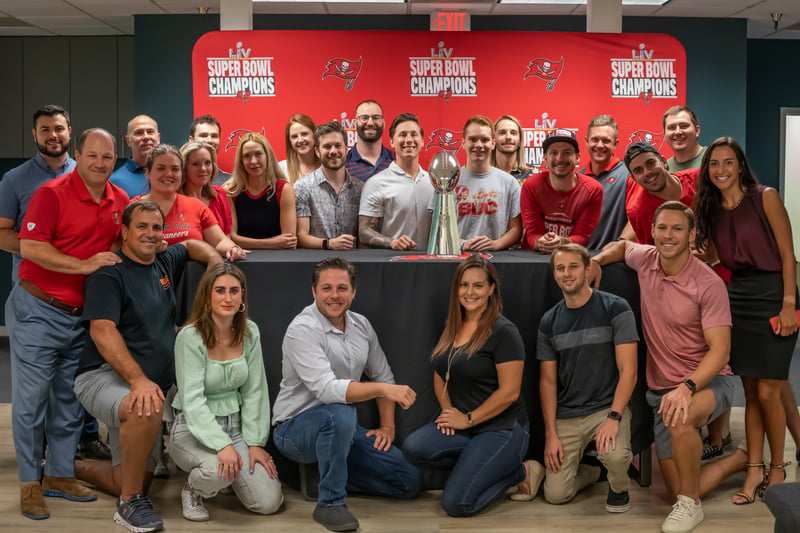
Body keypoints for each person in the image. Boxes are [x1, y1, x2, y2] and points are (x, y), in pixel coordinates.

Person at [589, 202, 748, 533]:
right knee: (673, 488)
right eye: (662, 228)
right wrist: (596, 260)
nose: (668, 235)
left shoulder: (708, 283)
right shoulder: (646, 259)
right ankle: (738, 460)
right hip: (661, 391)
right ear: (654, 231)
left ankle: (691, 507)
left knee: (682, 417)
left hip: (709, 382)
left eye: (678, 229)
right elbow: (622, 246)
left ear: (691, 235)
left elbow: (721, 352)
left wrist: (686, 388)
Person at [73, 200, 222, 533]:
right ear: (124, 232)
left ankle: (70, 466)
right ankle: (128, 506)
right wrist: (138, 380)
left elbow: (191, 245)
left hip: (145, 384)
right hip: (101, 376)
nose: (150, 234)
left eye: (157, 227)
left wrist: (214, 261)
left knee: (137, 478)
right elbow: (102, 330)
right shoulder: (109, 273)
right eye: (141, 226)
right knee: (147, 406)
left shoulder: (163, 262)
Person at [8, 128, 128, 520]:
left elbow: (113, 243)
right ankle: (30, 482)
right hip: (38, 309)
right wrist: (83, 265)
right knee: (32, 403)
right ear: (79, 155)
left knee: (68, 402)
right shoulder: (51, 194)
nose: (99, 163)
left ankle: (58, 475)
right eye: (91, 156)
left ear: (115, 160)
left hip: (81, 318)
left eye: (107, 157)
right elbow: (31, 247)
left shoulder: (120, 199)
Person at [272, 257, 421, 532]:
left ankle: (326, 474)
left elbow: (383, 375)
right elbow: (329, 390)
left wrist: (387, 426)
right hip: (294, 429)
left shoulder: (361, 325)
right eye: (326, 288)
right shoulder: (302, 329)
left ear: (353, 292)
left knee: (408, 481)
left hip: (342, 429)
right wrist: (382, 390)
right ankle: (330, 503)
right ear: (314, 291)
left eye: (342, 288)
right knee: (340, 411)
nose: (334, 296)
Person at [0, 105, 109, 461]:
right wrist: (48, 248)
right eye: (45, 129)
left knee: (68, 393)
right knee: (34, 394)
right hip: (36, 297)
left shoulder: (89, 174)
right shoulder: (16, 180)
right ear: (35, 135)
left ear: (69, 133)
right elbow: (4, 233)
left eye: (59, 128)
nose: (53, 135)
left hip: (79, 302)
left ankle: (62, 465)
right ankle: (33, 470)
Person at [693, 137, 799, 504]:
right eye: (714, 164)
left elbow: (788, 255)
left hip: (774, 294)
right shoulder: (711, 208)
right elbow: (721, 260)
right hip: (737, 296)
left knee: (770, 390)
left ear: (740, 165)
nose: (721, 170)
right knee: (751, 391)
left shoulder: (764, 196)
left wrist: (789, 304)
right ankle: (754, 469)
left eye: (728, 162)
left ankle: (778, 467)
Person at [512, 243, 637, 512]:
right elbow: (547, 382)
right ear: (555, 274)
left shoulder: (616, 308)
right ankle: (591, 473)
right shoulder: (549, 321)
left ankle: (618, 490)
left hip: (607, 408)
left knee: (614, 456)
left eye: (573, 267)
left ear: (588, 269)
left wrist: (614, 417)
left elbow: (630, 371)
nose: (566, 273)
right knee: (556, 495)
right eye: (560, 268)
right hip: (567, 413)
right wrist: (551, 434)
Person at [403, 255, 528, 516]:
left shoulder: (504, 332)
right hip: (465, 426)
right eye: (464, 285)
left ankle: (519, 472)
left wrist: (468, 419)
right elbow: (441, 372)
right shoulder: (454, 326)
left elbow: (510, 393)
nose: (469, 292)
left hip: (501, 427)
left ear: (492, 289)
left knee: (456, 505)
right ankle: (480, 464)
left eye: (478, 286)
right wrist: (449, 412)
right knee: (414, 448)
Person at [170, 263, 283, 521]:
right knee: (216, 472)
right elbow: (193, 401)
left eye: (234, 291)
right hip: (192, 429)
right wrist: (222, 445)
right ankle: (193, 490)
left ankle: (231, 477)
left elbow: (256, 391)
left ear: (242, 295)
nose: (228, 298)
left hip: (237, 429)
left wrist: (254, 443)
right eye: (220, 291)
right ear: (207, 296)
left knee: (269, 503)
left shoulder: (250, 331)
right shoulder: (189, 337)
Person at [134, 144, 246, 260]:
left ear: (181, 173)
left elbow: (219, 241)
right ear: (147, 172)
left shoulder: (197, 206)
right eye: (161, 168)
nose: (169, 174)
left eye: (175, 169)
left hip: (192, 276)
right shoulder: (133, 208)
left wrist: (232, 248)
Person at [358, 112, 433, 251]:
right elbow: (364, 233)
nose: (409, 140)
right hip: (393, 264)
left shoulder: (435, 183)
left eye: (414, 134)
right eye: (403, 135)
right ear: (392, 142)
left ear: (422, 141)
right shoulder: (376, 183)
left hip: (430, 265)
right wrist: (392, 242)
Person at [521, 129, 603, 253]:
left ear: (577, 158)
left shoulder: (593, 190)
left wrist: (562, 242)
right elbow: (533, 234)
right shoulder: (531, 185)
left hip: (569, 256)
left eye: (567, 152)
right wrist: (540, 241)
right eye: (554, 152)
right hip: (533, 257)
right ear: (545, 158)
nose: (560, 158)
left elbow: (582, 236)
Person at [453, 115, 522, 252]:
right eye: (473, 139)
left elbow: (516, 229)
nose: (479, 145)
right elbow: (437, 227)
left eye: (484, 140)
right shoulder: (448, 181)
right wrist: (461, 244)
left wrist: (496, 244)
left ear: (493, 143)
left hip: (497, 260)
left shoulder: (509, 182)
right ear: (463, 143)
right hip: (458, 258)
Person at [295, 121, 363, 250]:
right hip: (315, 264)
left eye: (338, 145)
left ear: (346, 149)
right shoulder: (302, 187)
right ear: (317, 151)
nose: (333, 151)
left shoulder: (361, 189)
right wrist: (329, 243)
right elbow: (300, 237)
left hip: (353, 265)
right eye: (327, 147)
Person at [226, 132, 297, 250]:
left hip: (280, 258)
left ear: (268, 156)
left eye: (258, 154)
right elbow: (231, 238)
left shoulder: (284, 189)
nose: (253, 161)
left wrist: (243, 242)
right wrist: (274, 243)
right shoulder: (230, 191)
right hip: (242, 258)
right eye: (247, 156)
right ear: (241, 161)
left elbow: (289, 240)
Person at [623, 142, 698, 246]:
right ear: (634, 179)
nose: (647, 172)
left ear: (663, 161)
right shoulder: (640, 212)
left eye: (650, 163)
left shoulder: (698, 179)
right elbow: (654, 255)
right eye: (638, 170)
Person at [578, 115, 630, 250]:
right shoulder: (577, 178)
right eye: (595, 139)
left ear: (615, 144)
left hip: (614, 260)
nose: (600, 145)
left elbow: (637, 219)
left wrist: (619, 244)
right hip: (580, 259)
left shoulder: (630, 175)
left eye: (606, 141)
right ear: (586, 141)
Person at [179, 141, 232, 235]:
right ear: (184, 168)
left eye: (207, 163)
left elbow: (227, 235)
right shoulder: (175, 200)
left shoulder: (219, 194)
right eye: (195, 164)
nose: (203, 168)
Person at [111, 115, 160, 198]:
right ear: (128, 140)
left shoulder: (171, 175)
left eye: (150, 131)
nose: (146, 137)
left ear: (158, 138)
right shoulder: (114, 181)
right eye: (139, 133)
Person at [345, 99, 395, 182]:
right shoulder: (343, 163)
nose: (370, 123)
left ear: (383, 123)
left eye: (376, 118)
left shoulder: (397, 161)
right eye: (364, 118)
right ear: (355, 124)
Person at [278, 113, 320, 185]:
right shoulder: (281, 169)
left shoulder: (327, 167)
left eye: (304, 134)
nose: (300, 140)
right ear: (290, 141)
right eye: (294, 136)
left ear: (315, 134)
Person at [188, 114, 230, 185]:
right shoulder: (179, 178)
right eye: (203, 136)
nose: (209, 140)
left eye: (214, 136)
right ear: (191, 140)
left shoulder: (230, 182)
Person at [492, 115, 534, 185]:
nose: (508, 137)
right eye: (502, 133)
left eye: (513, 133)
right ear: (493, 140)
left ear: (520, 140)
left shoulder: (534, 176)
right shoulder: (481, 174)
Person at [663, 106, 706, 172]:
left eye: (684, 126)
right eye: (672, 128)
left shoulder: (713, 158)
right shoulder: (664, 170)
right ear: (665, 135)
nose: (678, 132)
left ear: (697, 131)